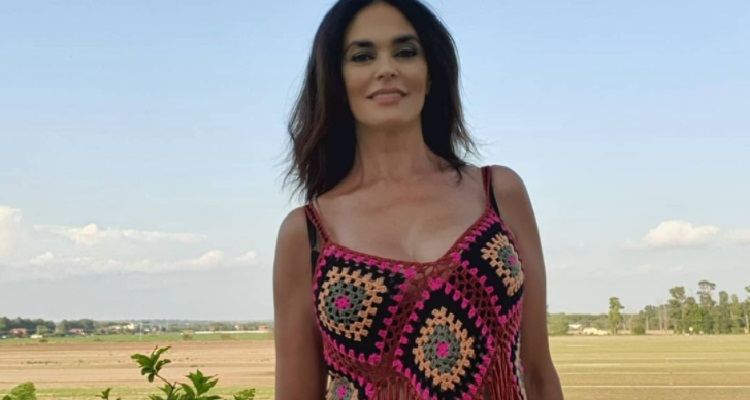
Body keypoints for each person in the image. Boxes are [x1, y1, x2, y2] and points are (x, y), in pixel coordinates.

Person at [273, 0, 563, 399]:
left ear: (430, 76)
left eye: (406, 52)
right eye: (362, 56)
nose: (386, 68)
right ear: (336, 81)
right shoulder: (307, 233)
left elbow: (539, 372)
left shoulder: (499, 193)